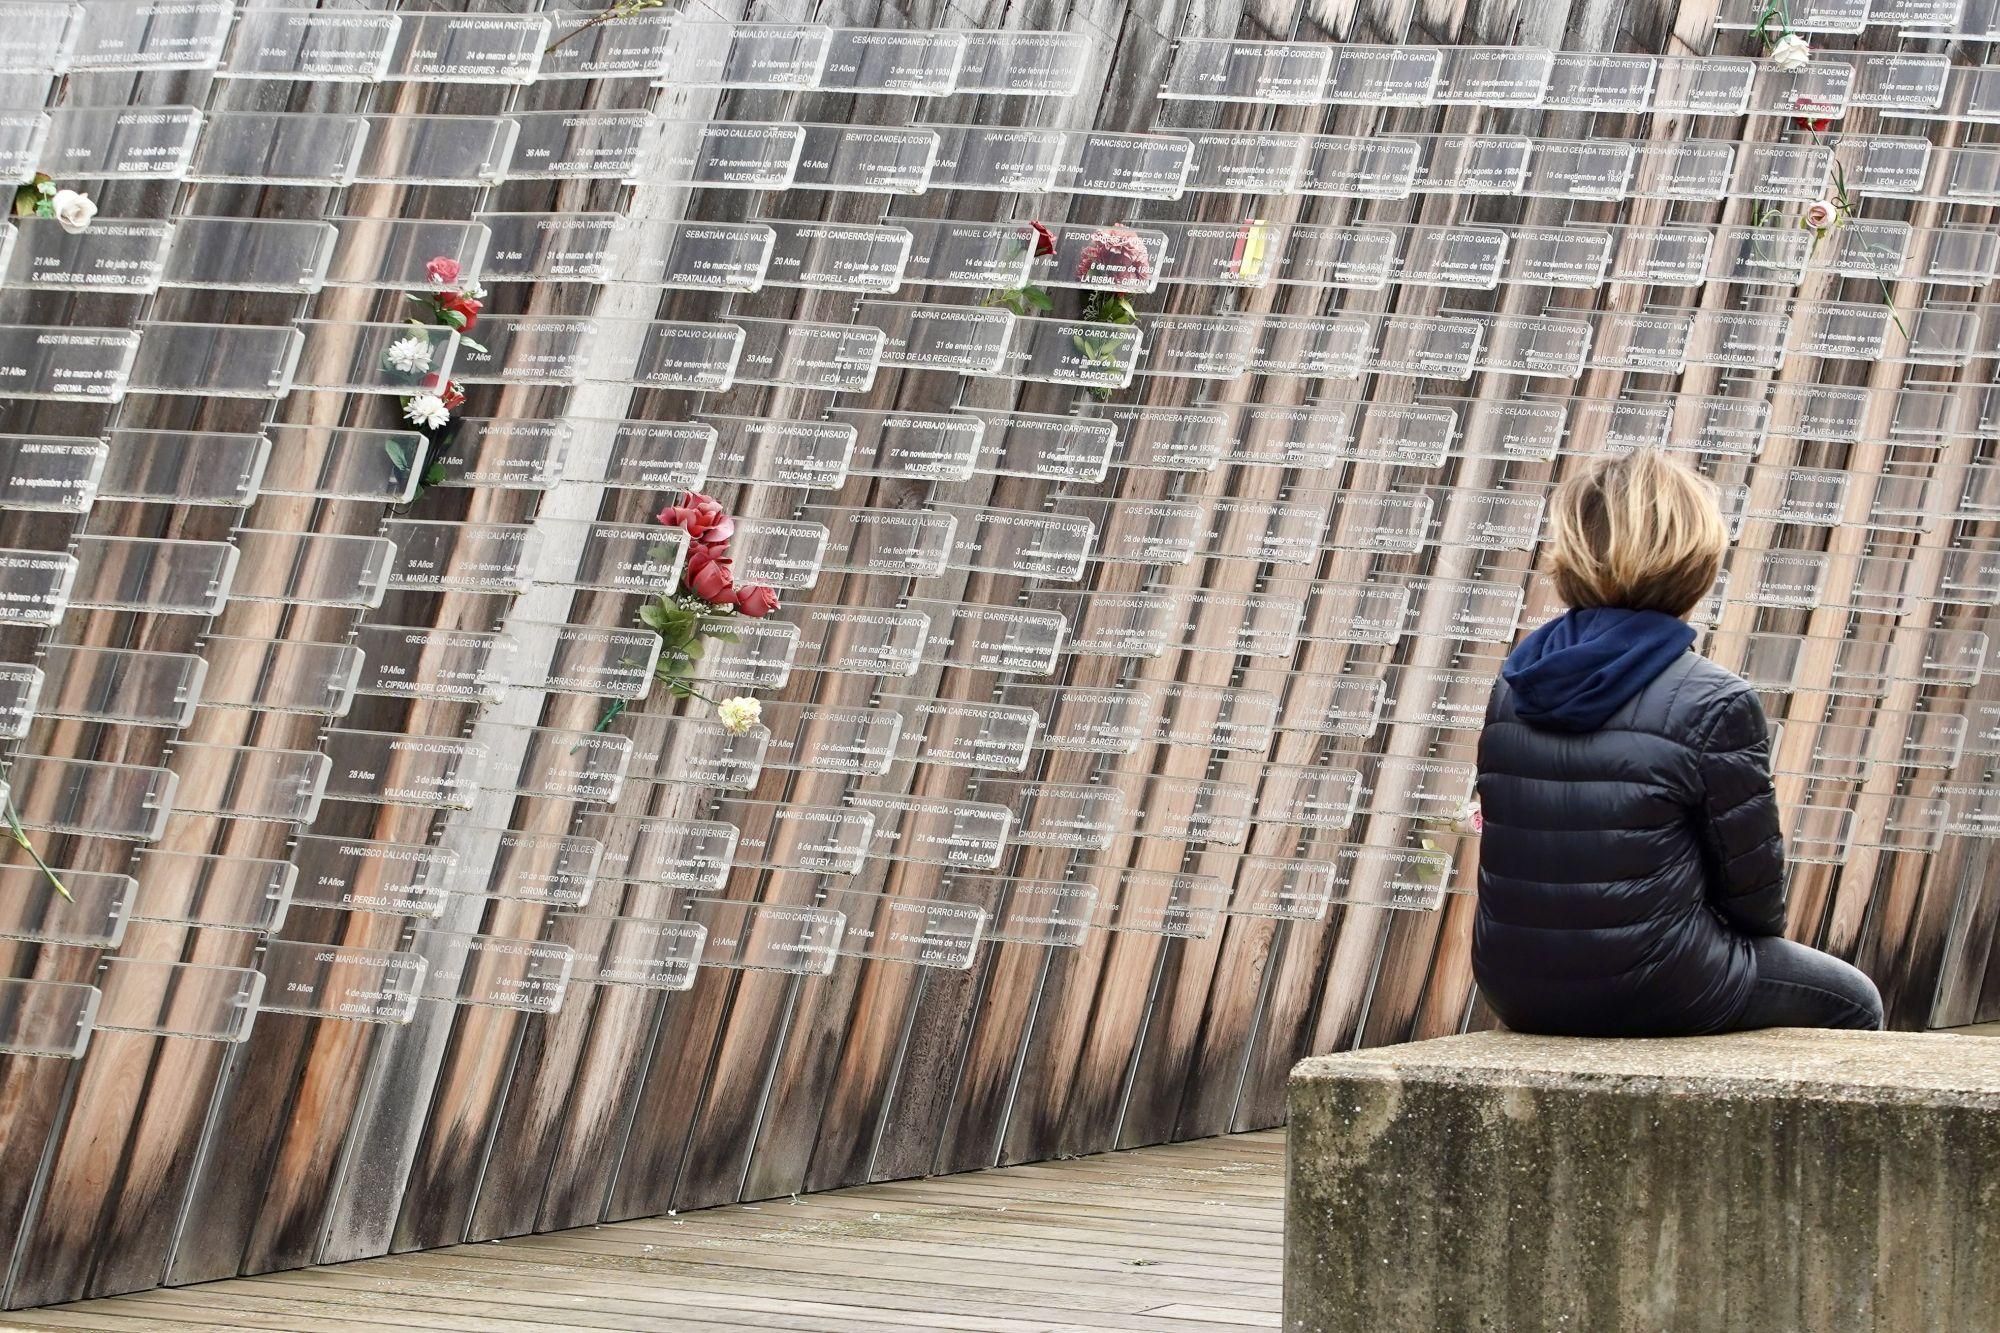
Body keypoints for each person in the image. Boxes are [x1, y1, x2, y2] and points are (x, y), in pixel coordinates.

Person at [1472, 451, 1884, 1037]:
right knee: (1855, 999)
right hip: (1658, 981)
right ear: (1692, 561)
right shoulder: (1715, 700)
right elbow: (1754, 897)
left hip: (1512, 982)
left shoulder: (1513, 685)